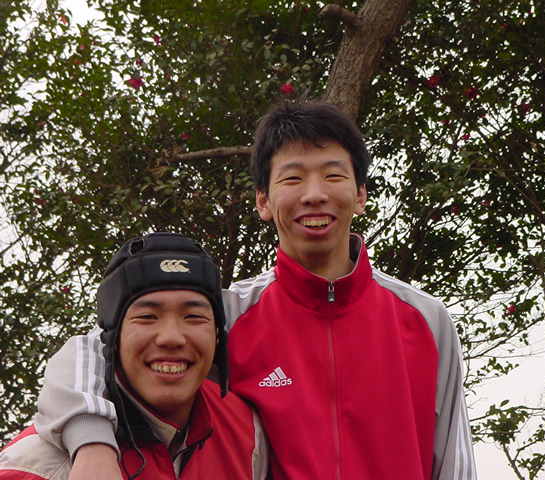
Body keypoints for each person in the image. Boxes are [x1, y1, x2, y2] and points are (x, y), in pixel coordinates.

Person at [31, 101, 477, 479]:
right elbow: (94, 352)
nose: (314, 194)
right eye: (293, 178)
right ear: (263, 201)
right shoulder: (228, 314)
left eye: (333, 176)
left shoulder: (424, 318)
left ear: (360, 195)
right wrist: (92, 444)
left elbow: (453, 458)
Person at [0, 233, 267, 479]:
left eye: (194, 317)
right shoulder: (35, 469)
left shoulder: (245, 433)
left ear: (218, 334)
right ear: (112, 337)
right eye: (147, 317)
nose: (171, 337)